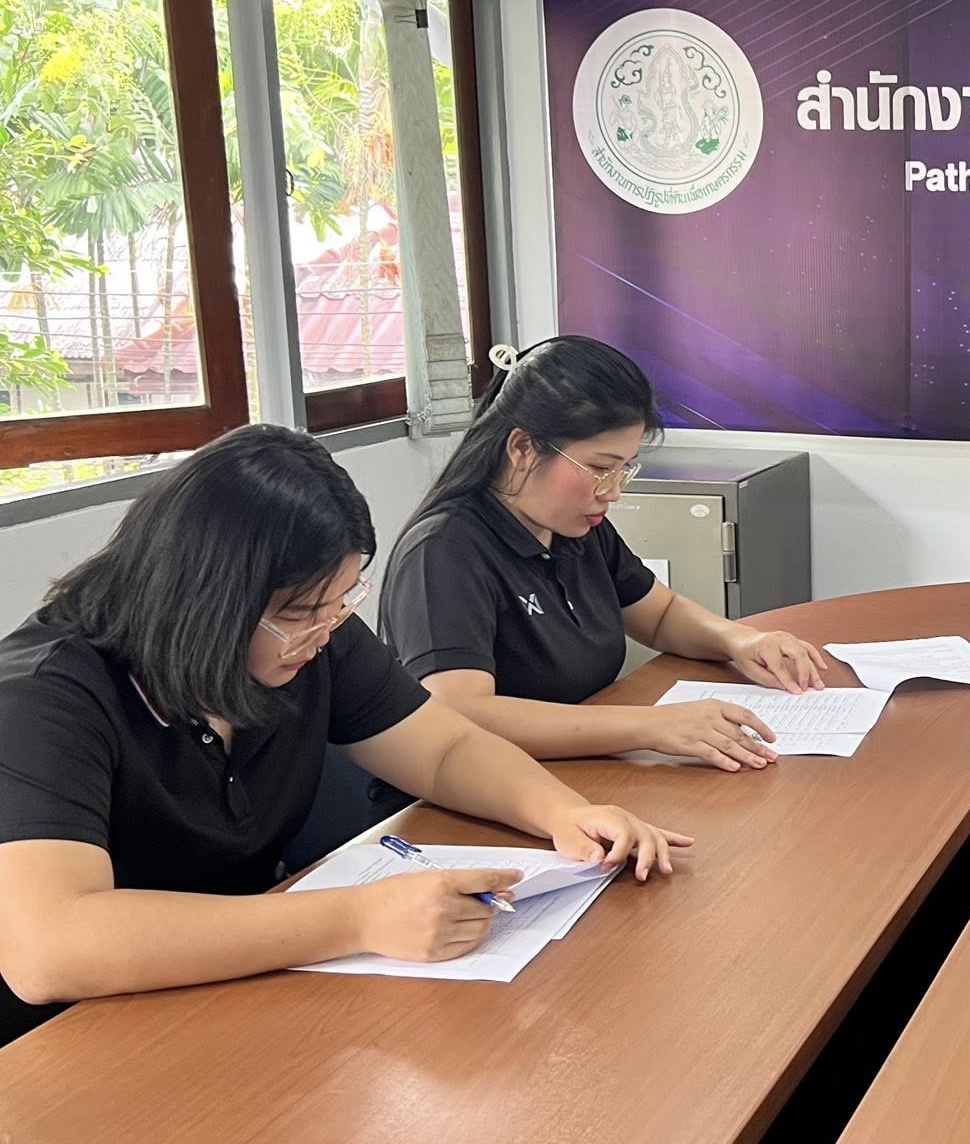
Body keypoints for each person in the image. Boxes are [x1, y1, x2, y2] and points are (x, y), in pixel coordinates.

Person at [0, 425, 687, 1049]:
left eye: (344, 599)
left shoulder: (309, 635)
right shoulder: (44, 696)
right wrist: (361, 919)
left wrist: (563, 812)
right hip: (70, 1038)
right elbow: (49, 946)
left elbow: (442, 747)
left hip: (248, 984)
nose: (325, 629)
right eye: (302, 612)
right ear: (202, 601)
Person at [380, 337, 828, 775]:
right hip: (465, 803)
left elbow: (659, 614)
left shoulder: (574, 526)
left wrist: (740, 641)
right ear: (521, 448)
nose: (612, 491)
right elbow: (460, 714)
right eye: (598, 468)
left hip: (575, 772)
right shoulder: (443, 552)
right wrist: (649, 726)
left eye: (623, 469)